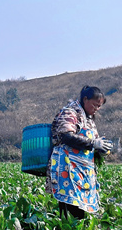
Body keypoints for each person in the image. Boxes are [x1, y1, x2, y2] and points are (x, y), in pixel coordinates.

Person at [46, 86, 113, 219]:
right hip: (67, 167)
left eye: (99, 107)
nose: (96, 109)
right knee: (69, 207)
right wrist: (93, 143)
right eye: (95, 105)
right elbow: (66, 136)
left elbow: (93, 142)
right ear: (85, 99)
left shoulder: (89, 119)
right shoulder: (70, 113)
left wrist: (101, 149)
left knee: (80, 209)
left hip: (83, 171)